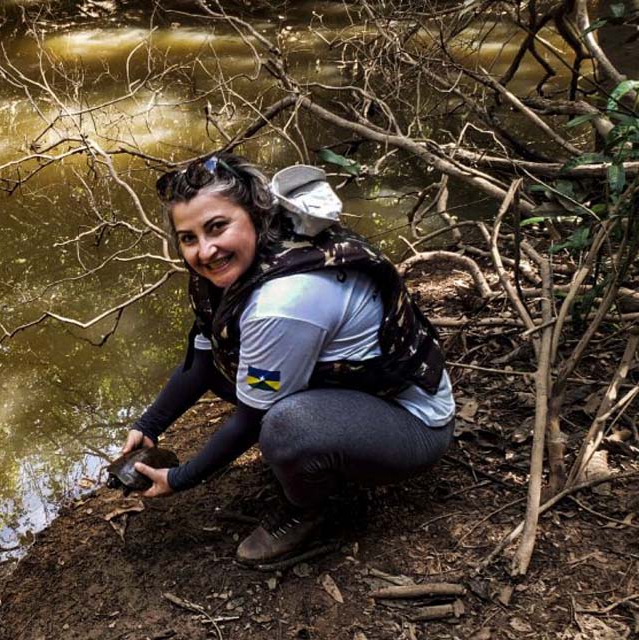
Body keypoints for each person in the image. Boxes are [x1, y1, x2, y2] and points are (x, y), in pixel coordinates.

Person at [122, 153, 456, 564]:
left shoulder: (281, 302)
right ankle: (321, 460)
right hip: (360, 388)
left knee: (283, 427)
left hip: (413, 422)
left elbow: (251, 418)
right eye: (188, 238)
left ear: (255, 214)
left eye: (217, 227)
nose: (205, 251)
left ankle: (313, 511)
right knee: (249, 379)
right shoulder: (237, 264)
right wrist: (150, 424)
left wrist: (179, 478)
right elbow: (207, 355)